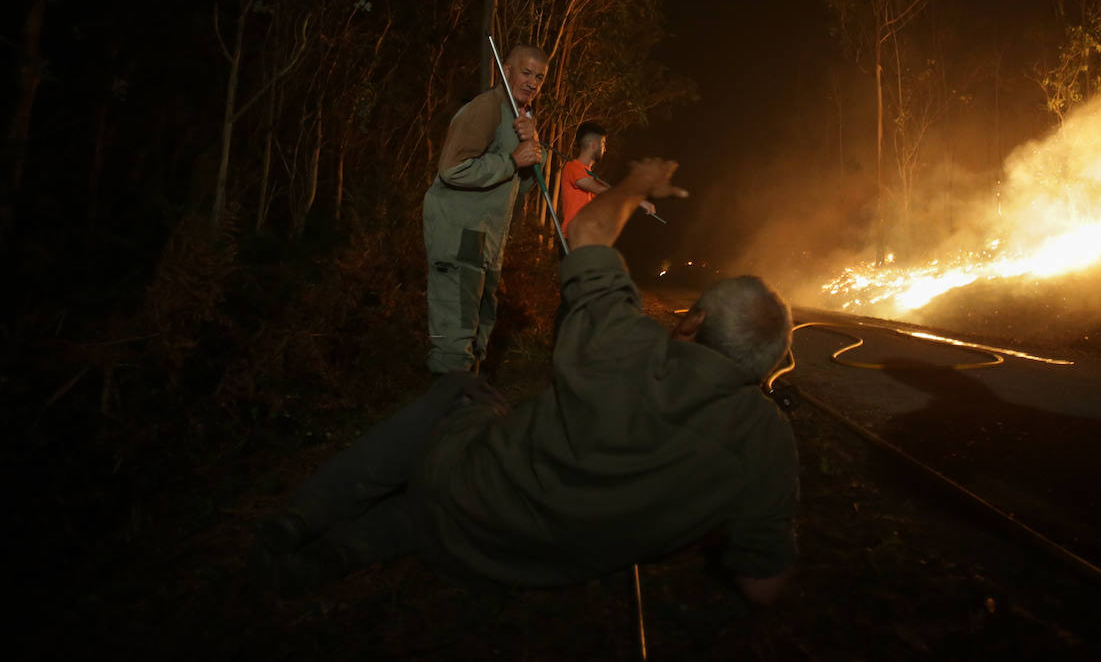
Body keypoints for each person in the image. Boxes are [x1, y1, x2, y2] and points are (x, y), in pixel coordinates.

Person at [259, 159, 799, 607]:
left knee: (458, 396)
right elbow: (762, 587)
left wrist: (636, 184)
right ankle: (337, 555)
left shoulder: (623, 338)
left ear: (692, 322)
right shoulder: (770, 444)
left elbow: (587, 231)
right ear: (766, 366)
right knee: (447, 507)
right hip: (515, 565)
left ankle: (300, 520)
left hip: (469, 489)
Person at [423, 45, 546, 374]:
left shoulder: (520, 119)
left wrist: (534, 153)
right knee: (456, 336)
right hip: (462, 234)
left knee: (479, 334)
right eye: (526, 72)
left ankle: (467, 410)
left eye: (539, 77)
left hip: (487, 243)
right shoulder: (486, 108)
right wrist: (510, 160)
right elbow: (452, 169)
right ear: (506, 71)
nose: (532, 82)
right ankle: (449, 416)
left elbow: (520, 188)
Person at [558, 121, 655, 235]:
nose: (605, 149)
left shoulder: (588, 174)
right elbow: (599, 190)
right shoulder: (573, 167)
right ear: (593, 145)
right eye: (603, 143)